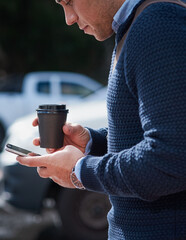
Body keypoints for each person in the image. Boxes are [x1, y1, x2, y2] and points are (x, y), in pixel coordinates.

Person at [16, 0, 186, 239]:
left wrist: (80, 170)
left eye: (69, 2)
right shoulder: (137, 24)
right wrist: (90, 144)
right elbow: (151, 139)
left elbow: (171, 158)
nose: (69, 18)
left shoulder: (157, 25)